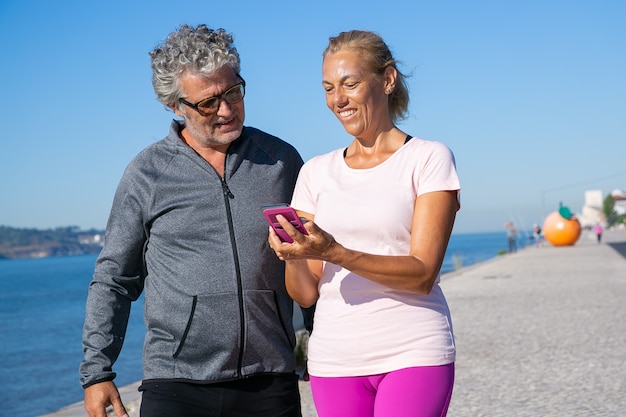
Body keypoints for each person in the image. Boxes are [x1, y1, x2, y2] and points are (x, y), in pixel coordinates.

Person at [80, 24, 304, 417]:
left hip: (270, 378)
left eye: (233, 91)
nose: (227, 109)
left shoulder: (281, 161)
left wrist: (322, 340)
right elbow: (115, 277)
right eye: (208, 102)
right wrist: (97, 372)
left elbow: (313, 258)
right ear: (175, 106)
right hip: (177, 385)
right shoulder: (147, 174)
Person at [268, 30, 460, 417]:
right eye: (328, 88)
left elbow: (422, 273)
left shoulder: (428, 159)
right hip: (334, 359)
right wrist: (293, 255)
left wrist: (335, 251)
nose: (337, 99)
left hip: (413, 351)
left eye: (350, 84)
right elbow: (305, 295)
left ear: (387, 80)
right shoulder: (315, 172)